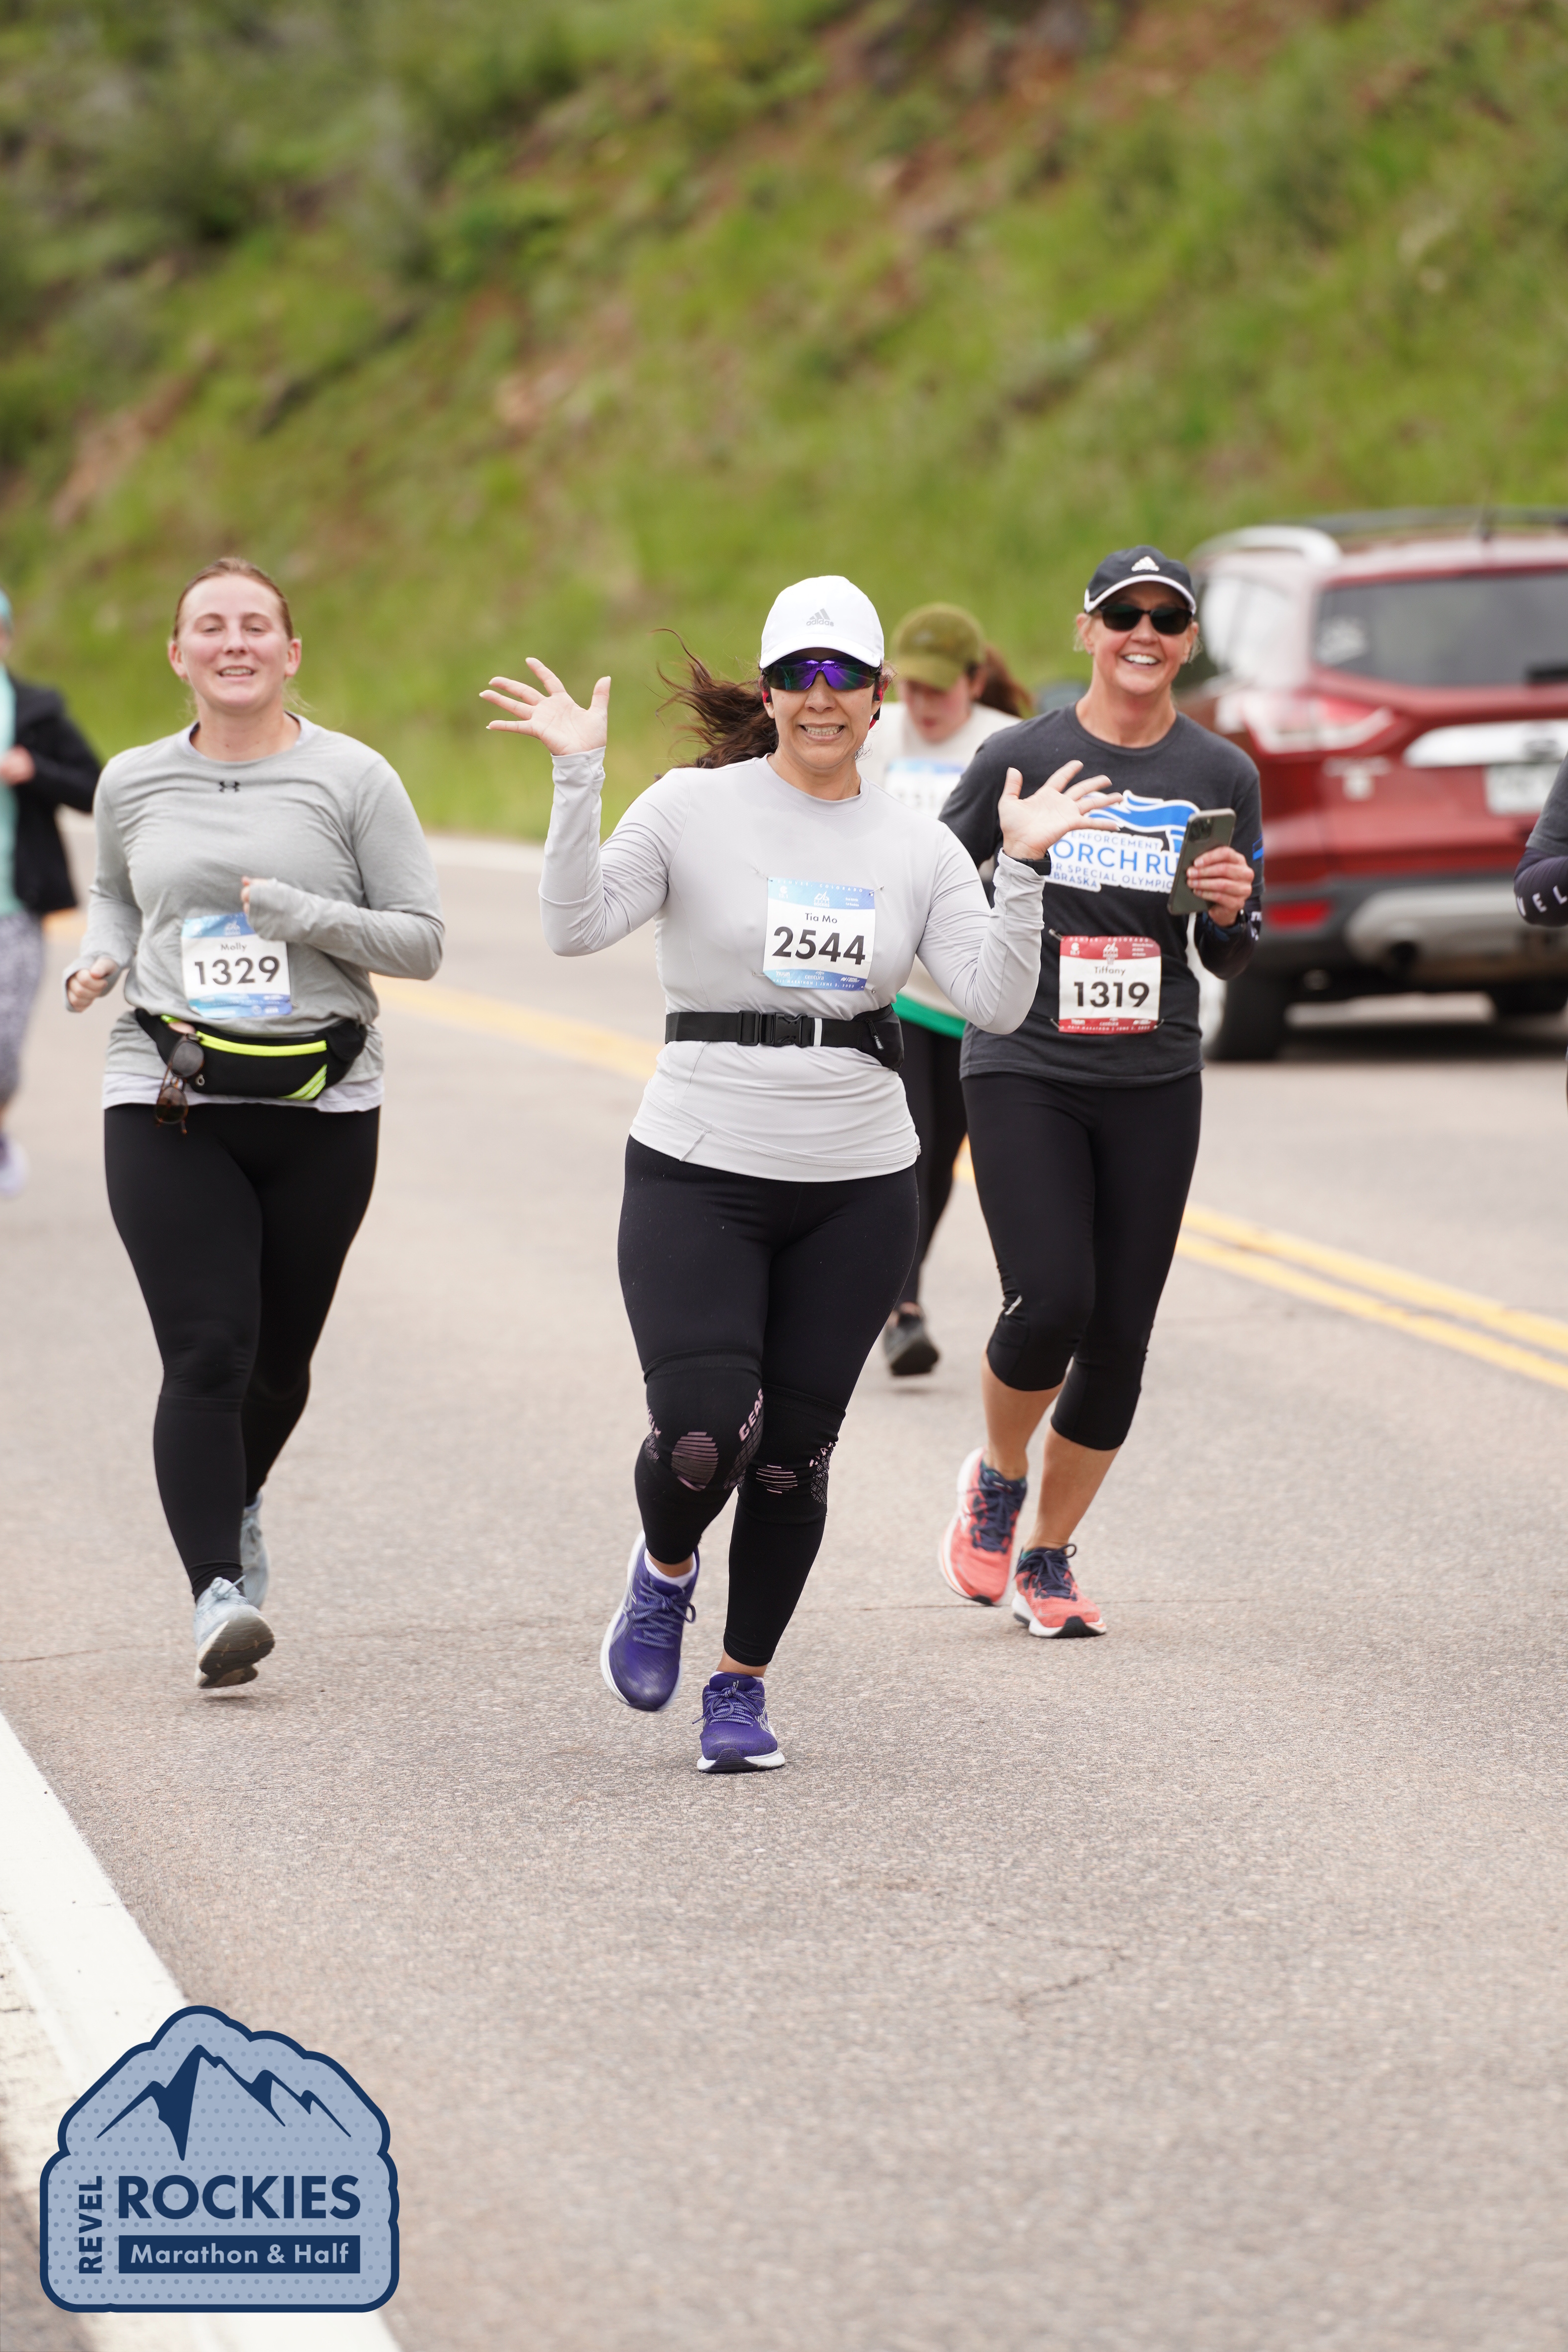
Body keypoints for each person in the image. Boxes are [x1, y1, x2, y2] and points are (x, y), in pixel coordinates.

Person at [482, 576, 1116, 1772]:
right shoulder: (690, 807)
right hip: (699, 1166)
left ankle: (742, 1683)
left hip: (858, 1183)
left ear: (878, 699)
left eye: (843, 678)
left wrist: (1024, 870)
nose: (820, 697)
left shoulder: (918, 845)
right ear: (768, 692)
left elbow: (992, 1000)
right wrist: (577, 779)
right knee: (702, 1437)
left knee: (790, 1458)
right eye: (797, 675)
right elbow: (574, 925)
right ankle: (665, 1570)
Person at [65, 558, 442, 1688]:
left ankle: (237, 1497)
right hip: (169, 1088)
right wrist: (101, 956)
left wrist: (298, 913)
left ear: (290, 651)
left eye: (254, 625)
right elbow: (116, 894)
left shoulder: (353, 777)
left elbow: (420, 941)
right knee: (209, 1349)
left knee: (278, 1365)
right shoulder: (132, 779)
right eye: (209, 626)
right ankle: (215, 1595)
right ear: (177, 654)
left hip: (323, 1097)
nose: (233, 642)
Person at [936, 545, 1263, 1637]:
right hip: (1024, 1063)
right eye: (1124, 614)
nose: (1144, 634)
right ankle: (997, 1472)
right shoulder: (1020, 756)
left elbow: (1232, 952)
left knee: (1120, 1331)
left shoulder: (1220, 774)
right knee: (1051, 1300)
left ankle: (1048, 1557)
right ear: (1087, 631)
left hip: (1153, 1075)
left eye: (1167, 619)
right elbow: (932, 884)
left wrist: (1231, 911)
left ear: (1188, 642)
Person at [858, 603, 1032, 1376]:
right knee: (910, 1147)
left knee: (943, 1160)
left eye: (940, 688)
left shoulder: (1007, 743)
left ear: (974, 678)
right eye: (912, 687)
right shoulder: (874, 734)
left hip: (974, 990)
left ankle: (898, 1294)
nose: (924, 704)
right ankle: (902, 1308)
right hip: (899, 984)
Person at [0, 589, 100, 1197]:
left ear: (8, 637)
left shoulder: (36, 712)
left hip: (15, 910)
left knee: (2, 1043)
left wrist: (35, 769)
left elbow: (97, 786)